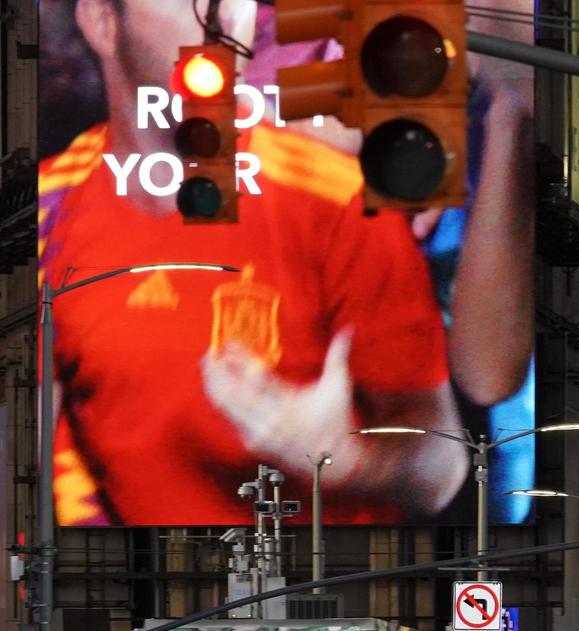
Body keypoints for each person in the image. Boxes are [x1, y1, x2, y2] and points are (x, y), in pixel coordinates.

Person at [41, 0, 470, 526]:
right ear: (102, 21)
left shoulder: (334, 199)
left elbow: (443, 465)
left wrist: (348, 457)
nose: (221, 20)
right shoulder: (48, 212)